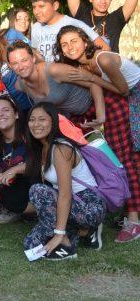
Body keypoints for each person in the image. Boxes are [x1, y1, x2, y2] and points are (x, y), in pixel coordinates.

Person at [54, 26, 140, 242]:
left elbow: (123, 91)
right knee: (121, 158)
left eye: (74, 41)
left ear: (85, 41)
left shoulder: (103, 60)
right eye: (64, 44)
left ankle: (134, 220)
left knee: (126, 160)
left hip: (132, 99)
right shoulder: (80, 65)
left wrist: (89, 78)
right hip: (119, 101)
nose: (70, 47)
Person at [21, 102, 107, 260]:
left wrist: (59, 234)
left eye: (42, 119)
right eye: (32, 120)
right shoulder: (42, 148)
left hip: (89, 205)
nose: (36, 124)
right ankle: (85, 232)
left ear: (53, 122)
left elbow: (65, 195)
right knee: (30, 245)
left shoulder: (61, 148)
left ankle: (66, 243)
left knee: (37, 191)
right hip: (71, 205)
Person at [0, 95, 32, 224]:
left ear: (16, 114)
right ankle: (32, 211)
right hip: (20, 185)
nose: (0, 114)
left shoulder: (29, 133)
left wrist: (15, 169)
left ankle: (47, 209)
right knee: (7, 196)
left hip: (41, 180)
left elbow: (44, 162)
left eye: (5, 110)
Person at [28, 0, 105, 62]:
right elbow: (35, 52)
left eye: (41, 6)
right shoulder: (35, 27)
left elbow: (104, 47)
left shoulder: (73, 23)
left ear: (55, 6)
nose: (36, 12)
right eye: (34, 7)